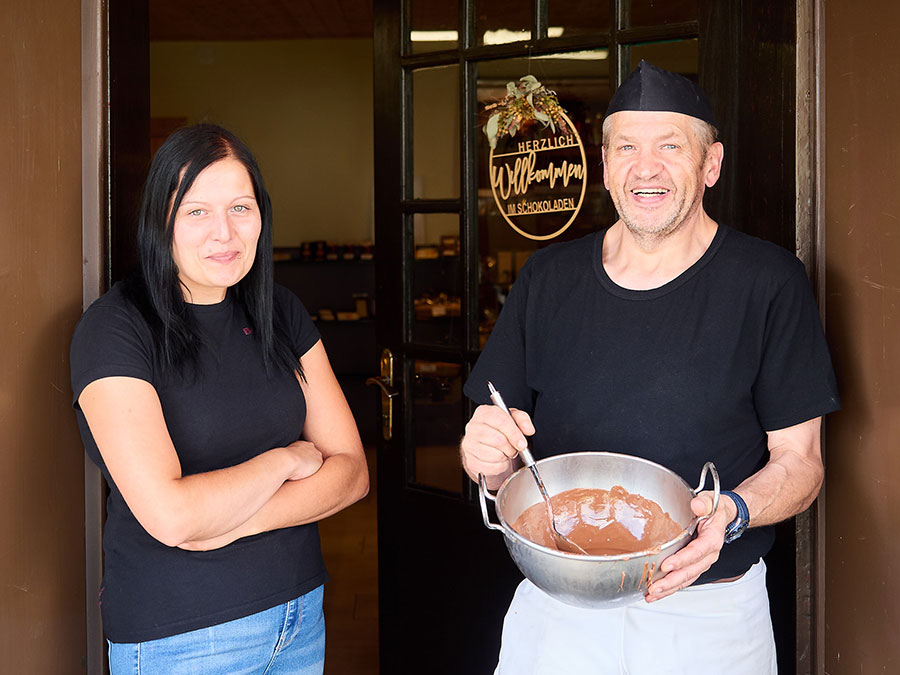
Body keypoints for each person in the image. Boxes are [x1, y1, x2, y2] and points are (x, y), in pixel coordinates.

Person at [460, 61, 840, 674]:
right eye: (627, 148)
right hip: (558, 614)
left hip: (707, 618)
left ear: (710, 164)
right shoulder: (547, 280)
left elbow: (801, 464)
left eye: (670, 146)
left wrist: (733, 513)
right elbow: (499, 457)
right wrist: (485, 455)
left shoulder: (768, 283)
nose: (646, 167)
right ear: (606, 167)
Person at [70, 123, 369, 674]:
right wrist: (285, 461)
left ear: (262, 217)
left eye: (240, 207)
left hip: (299, 618)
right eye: (197, 211)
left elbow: (351, 473)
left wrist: (231, 523)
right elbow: (172, 516)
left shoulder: (281, 312)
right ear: (162, 222)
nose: (224, 233)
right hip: (183, 637)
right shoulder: (115, 330)